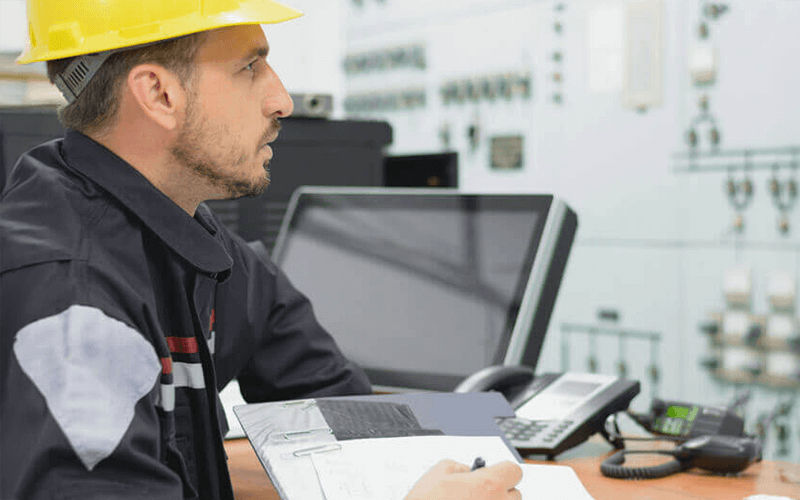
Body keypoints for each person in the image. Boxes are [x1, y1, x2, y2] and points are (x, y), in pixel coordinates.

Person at [0, 1, 523, 499]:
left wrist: (481, 426)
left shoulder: (191, 246)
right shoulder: (71, 297)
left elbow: (345, 410)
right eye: (250, 67)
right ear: (158, 93)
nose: (283, 101)